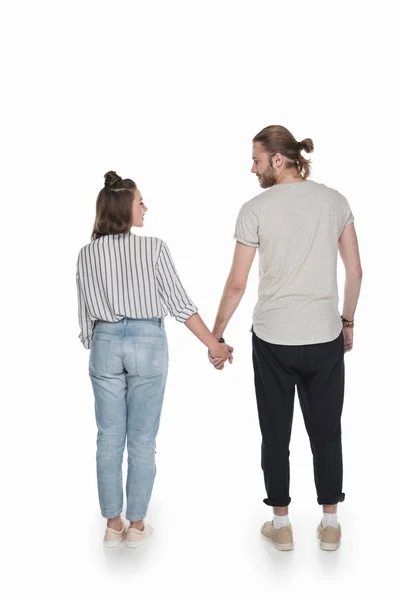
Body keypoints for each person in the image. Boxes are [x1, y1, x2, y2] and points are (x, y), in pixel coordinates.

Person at [209, 125, 362, 551]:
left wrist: (216, 334)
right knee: (327, 431)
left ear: (278, 160)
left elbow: (237, 283)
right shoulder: (335, 202)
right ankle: (330, 524)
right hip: (324, 336)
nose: (252, 167)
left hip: (274, 340)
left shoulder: (254, 208)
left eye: (256, 159)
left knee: (275, 433)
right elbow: (356, 272)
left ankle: (282, 526)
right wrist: (347, 322)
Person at [76, 171, 233, 548]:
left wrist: (95, 341)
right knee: (143, 440)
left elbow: (85, 316)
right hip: (148, 342)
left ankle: (113, 526)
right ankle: (137, 526)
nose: (145, 207)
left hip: (105, 342)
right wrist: (213, 344)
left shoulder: (86, 253)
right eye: (140, 202)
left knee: (109, 438)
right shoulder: (154, 248)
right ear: (124, 208)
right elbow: (180, 304)